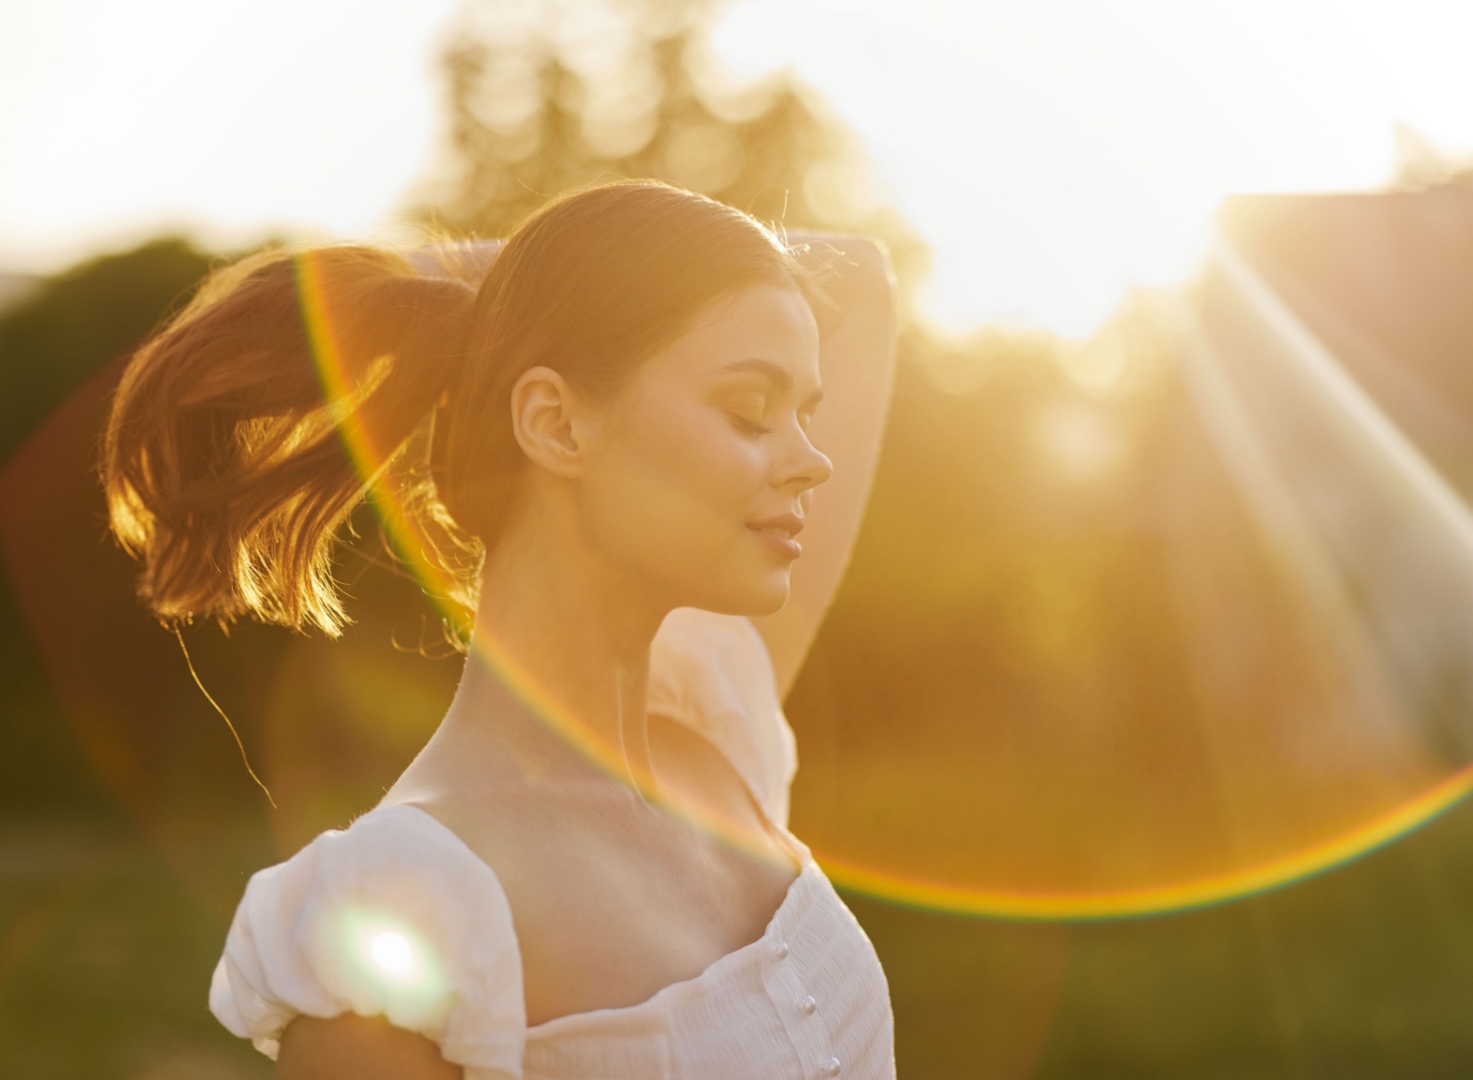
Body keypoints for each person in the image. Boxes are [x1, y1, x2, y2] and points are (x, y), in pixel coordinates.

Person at [100, 180, 898, 1079]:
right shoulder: (410, 914)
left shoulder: (715, 734)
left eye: (806, 414)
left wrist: (480, 312)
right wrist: (517, 303)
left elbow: (862, 280)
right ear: (555, 424)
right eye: (751, 411)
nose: (812, 460)